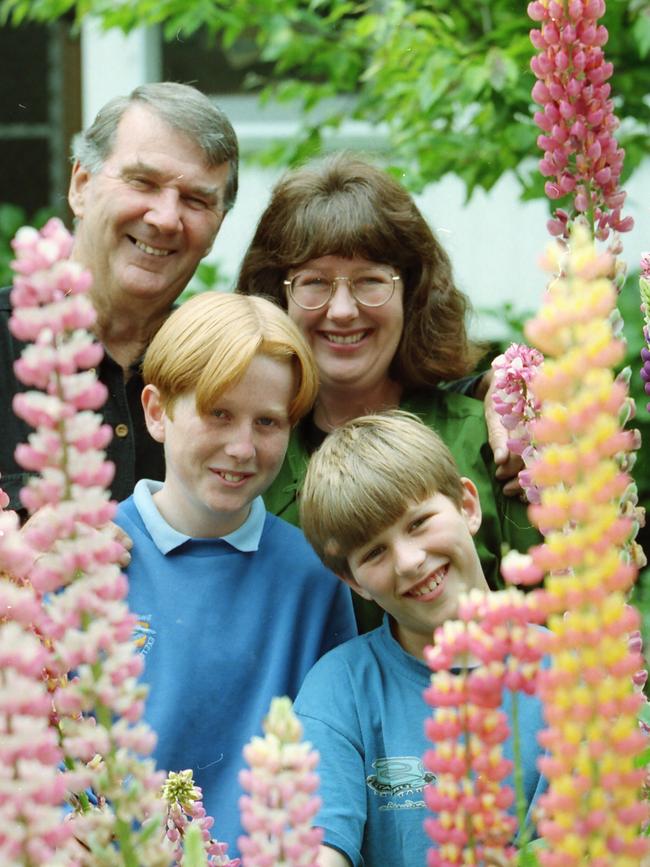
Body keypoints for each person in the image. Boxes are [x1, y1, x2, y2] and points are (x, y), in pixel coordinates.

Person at [236, 153, 538, 629]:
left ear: (411, 293)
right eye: (313, 283)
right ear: (278, 297)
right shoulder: (245, 458)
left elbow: (560, 616)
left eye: (370, 282)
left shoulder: (488, 442)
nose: (341, 311)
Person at [114, 291, 357, 852]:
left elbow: (336, 744)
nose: (242, 447)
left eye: (268, 422)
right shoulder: (89, 555)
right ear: (156, 412)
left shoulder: (312, 576)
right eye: (218, 413)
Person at [293, 411, 547, 867]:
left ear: (468, 506)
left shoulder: (569, 668)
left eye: (418, 523)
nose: (409, 561)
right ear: (354, 583)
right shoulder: (339, 689)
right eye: (374, 552)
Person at [0, 81, 238, 511]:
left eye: (196, 200)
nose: (166, 219)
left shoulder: (222, 372)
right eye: (143, 182)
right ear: (81, 186)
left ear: (217, 228)